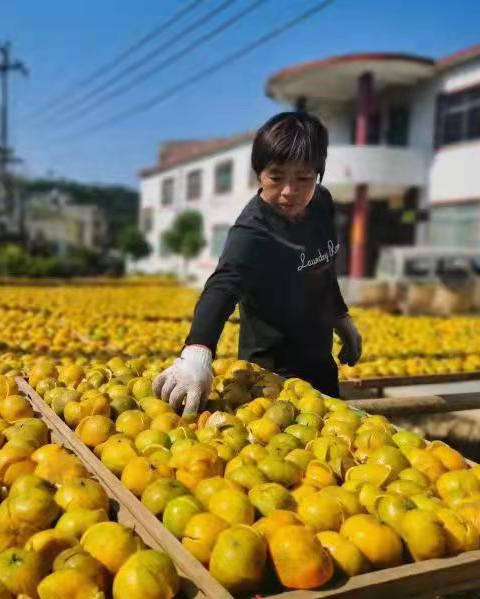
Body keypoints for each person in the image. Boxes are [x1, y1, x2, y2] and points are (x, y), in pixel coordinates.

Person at [153, 111, 362, 415]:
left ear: (318, 174)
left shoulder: (321, 204)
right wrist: (197, 354)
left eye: (303, 178)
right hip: (271, 376)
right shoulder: (253, 231)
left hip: (320, 360)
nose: (289, 192)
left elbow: (322, 268)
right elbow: (222, 286)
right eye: (276, 177)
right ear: (259, 174)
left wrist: (342, 318)